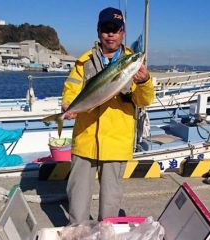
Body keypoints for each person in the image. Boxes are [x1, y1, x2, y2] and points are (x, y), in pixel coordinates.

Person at [62, 7, 155, 223]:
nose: (110, 34)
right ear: (98, 31)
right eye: (106, 29)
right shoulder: (83, 62)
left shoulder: (132, 62)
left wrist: (144, 82)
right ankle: (78, 236)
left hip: (116, 141)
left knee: (111, 200)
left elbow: (144, 101)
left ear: (123, 32)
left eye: (115, 29)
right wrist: (68, 104)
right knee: (77, 197)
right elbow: (71, 88)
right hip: (84, 139)